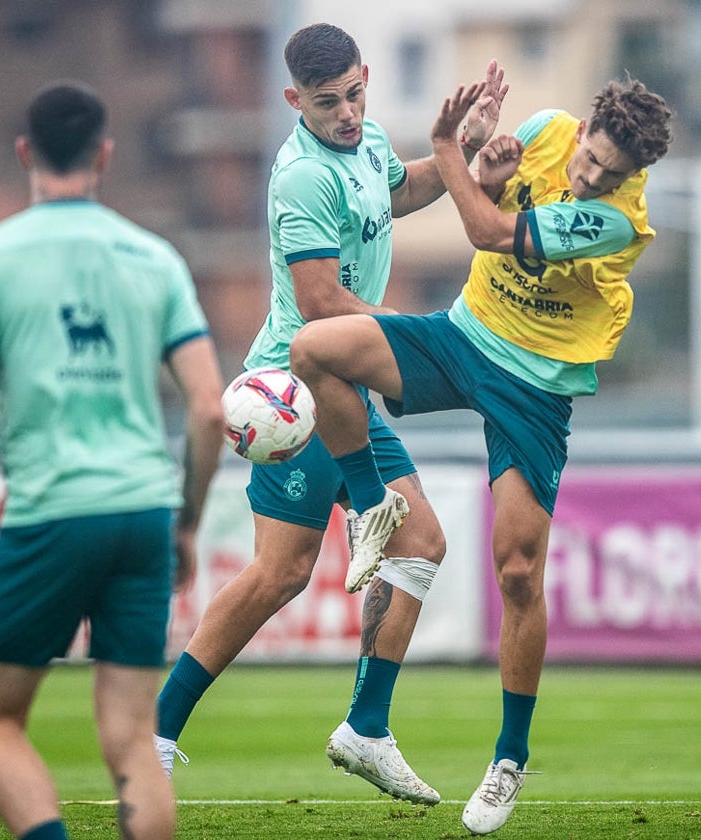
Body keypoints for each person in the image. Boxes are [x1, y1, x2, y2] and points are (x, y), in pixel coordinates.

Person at [291, 77, 673, 834]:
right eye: (591, 159)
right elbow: (493, 192)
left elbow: (491, 234)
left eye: (610, 174)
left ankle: (509, 758)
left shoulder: (616, 220)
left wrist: (448, 151)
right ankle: (373, 510)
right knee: (314, 350)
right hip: (466, 338)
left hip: (535, 388)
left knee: (519, 572)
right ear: (586, 128)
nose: (590, 178)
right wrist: (490, 167)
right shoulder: (546, 130)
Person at [153, 23, 507, 805]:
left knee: (306, 567)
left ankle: (348, 729)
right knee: (338, 559)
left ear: (365, 78)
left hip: (339, 382)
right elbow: (317, 307)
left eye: (354, 94)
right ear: (293, 101)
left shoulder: (366, 139)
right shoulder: (300, 178)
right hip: (298, 390)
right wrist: (415, 337)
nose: (347, 113)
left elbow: (396, 192)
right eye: (327, 103)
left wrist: (462, 163)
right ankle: (344, 725)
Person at [0, 80, 224, 840]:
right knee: (130, 738)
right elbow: (211, 409)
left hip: (52, 512)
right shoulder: (156, 259)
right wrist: (184, 521)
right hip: (145, 515)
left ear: (24, 151)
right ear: (104, 155)